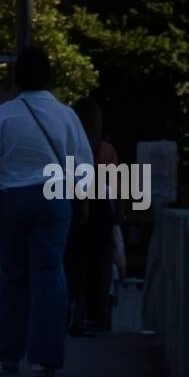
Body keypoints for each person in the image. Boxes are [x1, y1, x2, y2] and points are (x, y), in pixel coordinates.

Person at [0, 46, 93, 377]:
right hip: (54, 197)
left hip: (11, 199)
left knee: (13, 275)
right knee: (49, 274)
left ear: (18, 77)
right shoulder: (66, 115)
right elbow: (83, 165)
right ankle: (45, 357)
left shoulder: (3, 115)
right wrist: (83, 201)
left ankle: (8, 353)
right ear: (49, 76)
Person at [68, 95, 120, 333]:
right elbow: (115, 187)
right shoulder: (106, 149)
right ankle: (99, 317)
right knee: (101, 265)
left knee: (74, 265)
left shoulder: (72, 144)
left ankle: (74, 313)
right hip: (102, 211)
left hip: (76, 207)